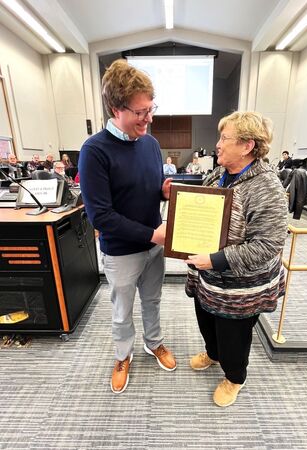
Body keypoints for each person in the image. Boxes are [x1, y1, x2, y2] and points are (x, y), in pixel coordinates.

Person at [78, 59, 176, 394]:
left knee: (153, 300)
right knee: (122, 311)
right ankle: (123, 355)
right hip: (122, 252)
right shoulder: (94, 151)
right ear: (116, 108)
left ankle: (154, 343)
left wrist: (162, 190)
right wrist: (152, 234)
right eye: (141, 112)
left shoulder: (150, 143)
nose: (149, 118)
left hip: (154, 246)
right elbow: (101, 216)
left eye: (152, 109)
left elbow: (144, 187)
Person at [184, 111, 288, 408]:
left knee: (234, 336)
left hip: (241, 287)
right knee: (207, 321)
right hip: (209, 278)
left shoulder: (267, 187)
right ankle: (213, 354)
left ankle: (234, 377)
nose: (217, 145)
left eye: (224, 138)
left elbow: (267, 245)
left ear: (247, 145)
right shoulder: (218, 175)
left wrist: (216, 259)